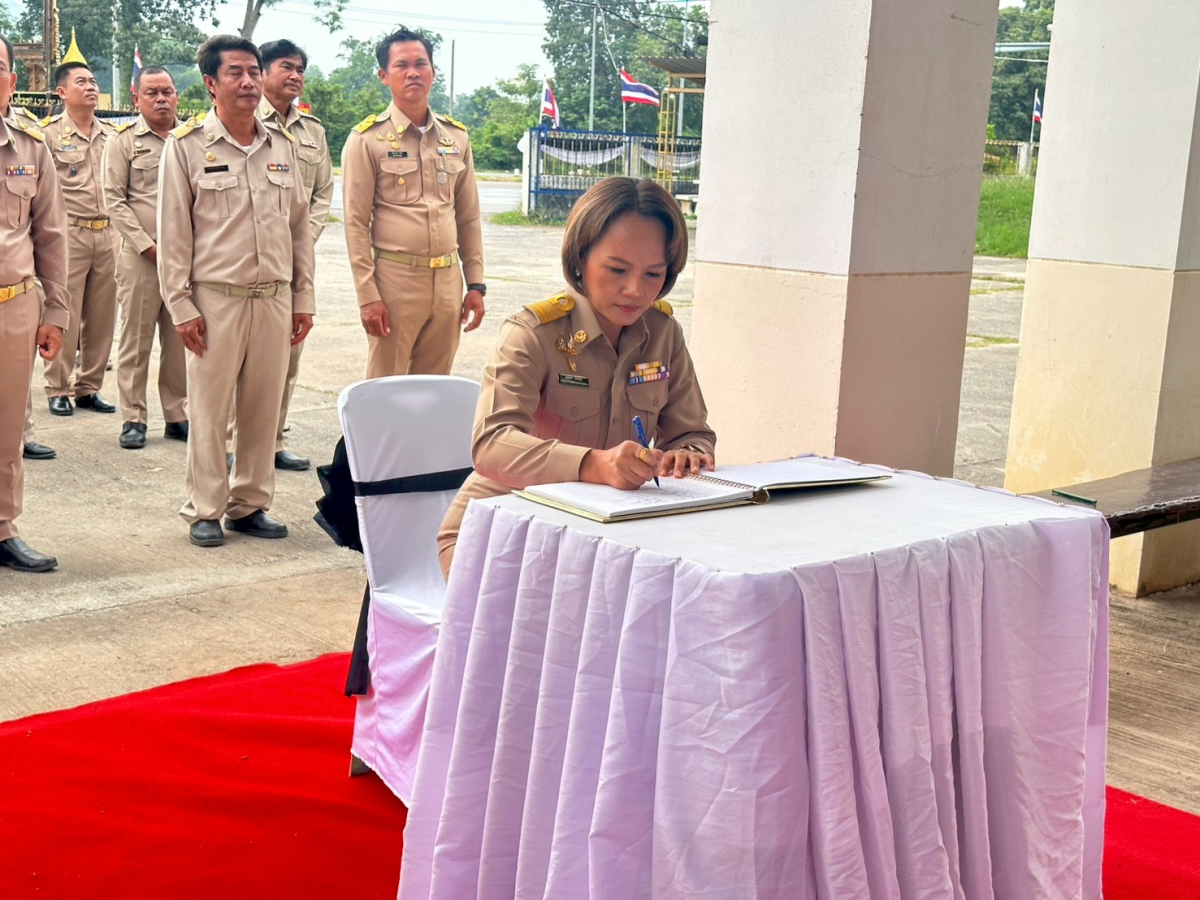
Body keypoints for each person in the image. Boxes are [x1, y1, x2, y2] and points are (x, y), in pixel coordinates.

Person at [437, 177, 716, 576]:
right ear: (580, 259)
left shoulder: (663, 334)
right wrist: (592, 465)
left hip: (606, 531)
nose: (635, 291)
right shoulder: (533, 333)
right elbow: (491, 446)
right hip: (505, 526)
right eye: (617, 269)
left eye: (654, 274)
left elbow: (692, 432)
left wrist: (687, 453)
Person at [157, 35, 315, 548]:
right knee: (208, 408)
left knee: (262, 407)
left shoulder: (284, 147)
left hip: (273, 298)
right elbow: (174, 236)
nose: (248, 82)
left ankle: (250, 504)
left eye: (253, 71)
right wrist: (181, 306)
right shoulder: (185, 149)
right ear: (210, 84)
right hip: (214, 300)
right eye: (235, 73)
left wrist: (303, 299)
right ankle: (205, 508)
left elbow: (298, 231)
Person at [341, 26, 485, 379]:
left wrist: (476, 284)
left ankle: (426, 439)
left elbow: (468, 217)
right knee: (385, 386)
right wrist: (368, 295)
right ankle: (375, 438)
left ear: (433, 72)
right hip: (395, 282)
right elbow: (355, 224)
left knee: (435, 387)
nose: (412, 72)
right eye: (401, 65)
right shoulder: (366, 140)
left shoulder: (456, 137)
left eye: (421, 63)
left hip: (449, 281)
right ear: (383, 76)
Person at [0, 33, 70, 572]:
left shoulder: (30, 146)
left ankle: (2, 529)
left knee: (6, 427)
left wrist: (55, 313)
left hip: (13, 306)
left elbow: (50, 235)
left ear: (12, 80)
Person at [250, 38, 333, 472]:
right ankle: (236, 441)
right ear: (261, 72)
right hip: (248, 259)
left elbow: (322, 194)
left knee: (289, 353)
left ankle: (275, 440)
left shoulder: (312, 131)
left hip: (296, 260)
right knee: (243, 361)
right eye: (286, 66)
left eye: (300, 68)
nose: (295, 75)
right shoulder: (246, 123)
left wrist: (305, 237)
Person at [102, 65, 188, 450]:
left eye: (167, 92)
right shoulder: (122, 141)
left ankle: (177, 414)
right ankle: (133, 418)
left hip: (186, 261)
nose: (161, 99)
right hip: (142, 259)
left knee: (181, 340)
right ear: (137, 98)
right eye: (151, 92)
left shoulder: (191, 140)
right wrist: (147, 246)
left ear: (177, 96)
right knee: (136, 341)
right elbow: (114, 201)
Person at [40, 61, 118, 417]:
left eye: (93, 81)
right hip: (69, 232)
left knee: (102, 318)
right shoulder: (48, 135)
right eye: (81, 82)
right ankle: (57, 387)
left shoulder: (113, 136)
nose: (90, 87)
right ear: (61, 91)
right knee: (63, 313)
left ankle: (89, 386)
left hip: (108, 232)